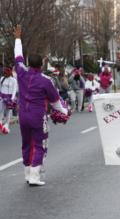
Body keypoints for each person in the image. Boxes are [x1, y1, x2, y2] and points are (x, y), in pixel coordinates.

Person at [13, 25, 69, 186]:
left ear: (29, 63)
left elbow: (17, 56)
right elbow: (56, 102)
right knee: (39, 144)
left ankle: (27, 172)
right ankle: (34, 177)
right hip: (38, 116)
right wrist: (65, 112)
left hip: (23, 115)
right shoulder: (46, 80)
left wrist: (18, 38)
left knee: (26, 143)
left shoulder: (22, 72)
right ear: (42, 65)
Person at [0, 67, 17, 134]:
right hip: (2, 97)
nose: (5, 74)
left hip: (9, 98)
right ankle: (0, 123)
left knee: (8, 112)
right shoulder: (2, 79)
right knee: (1, 110)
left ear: (9, 73)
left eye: (6, 73)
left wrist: (12, 98)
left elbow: (14, 89)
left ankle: (6, 125)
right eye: (4, 73)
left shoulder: (13, 80)